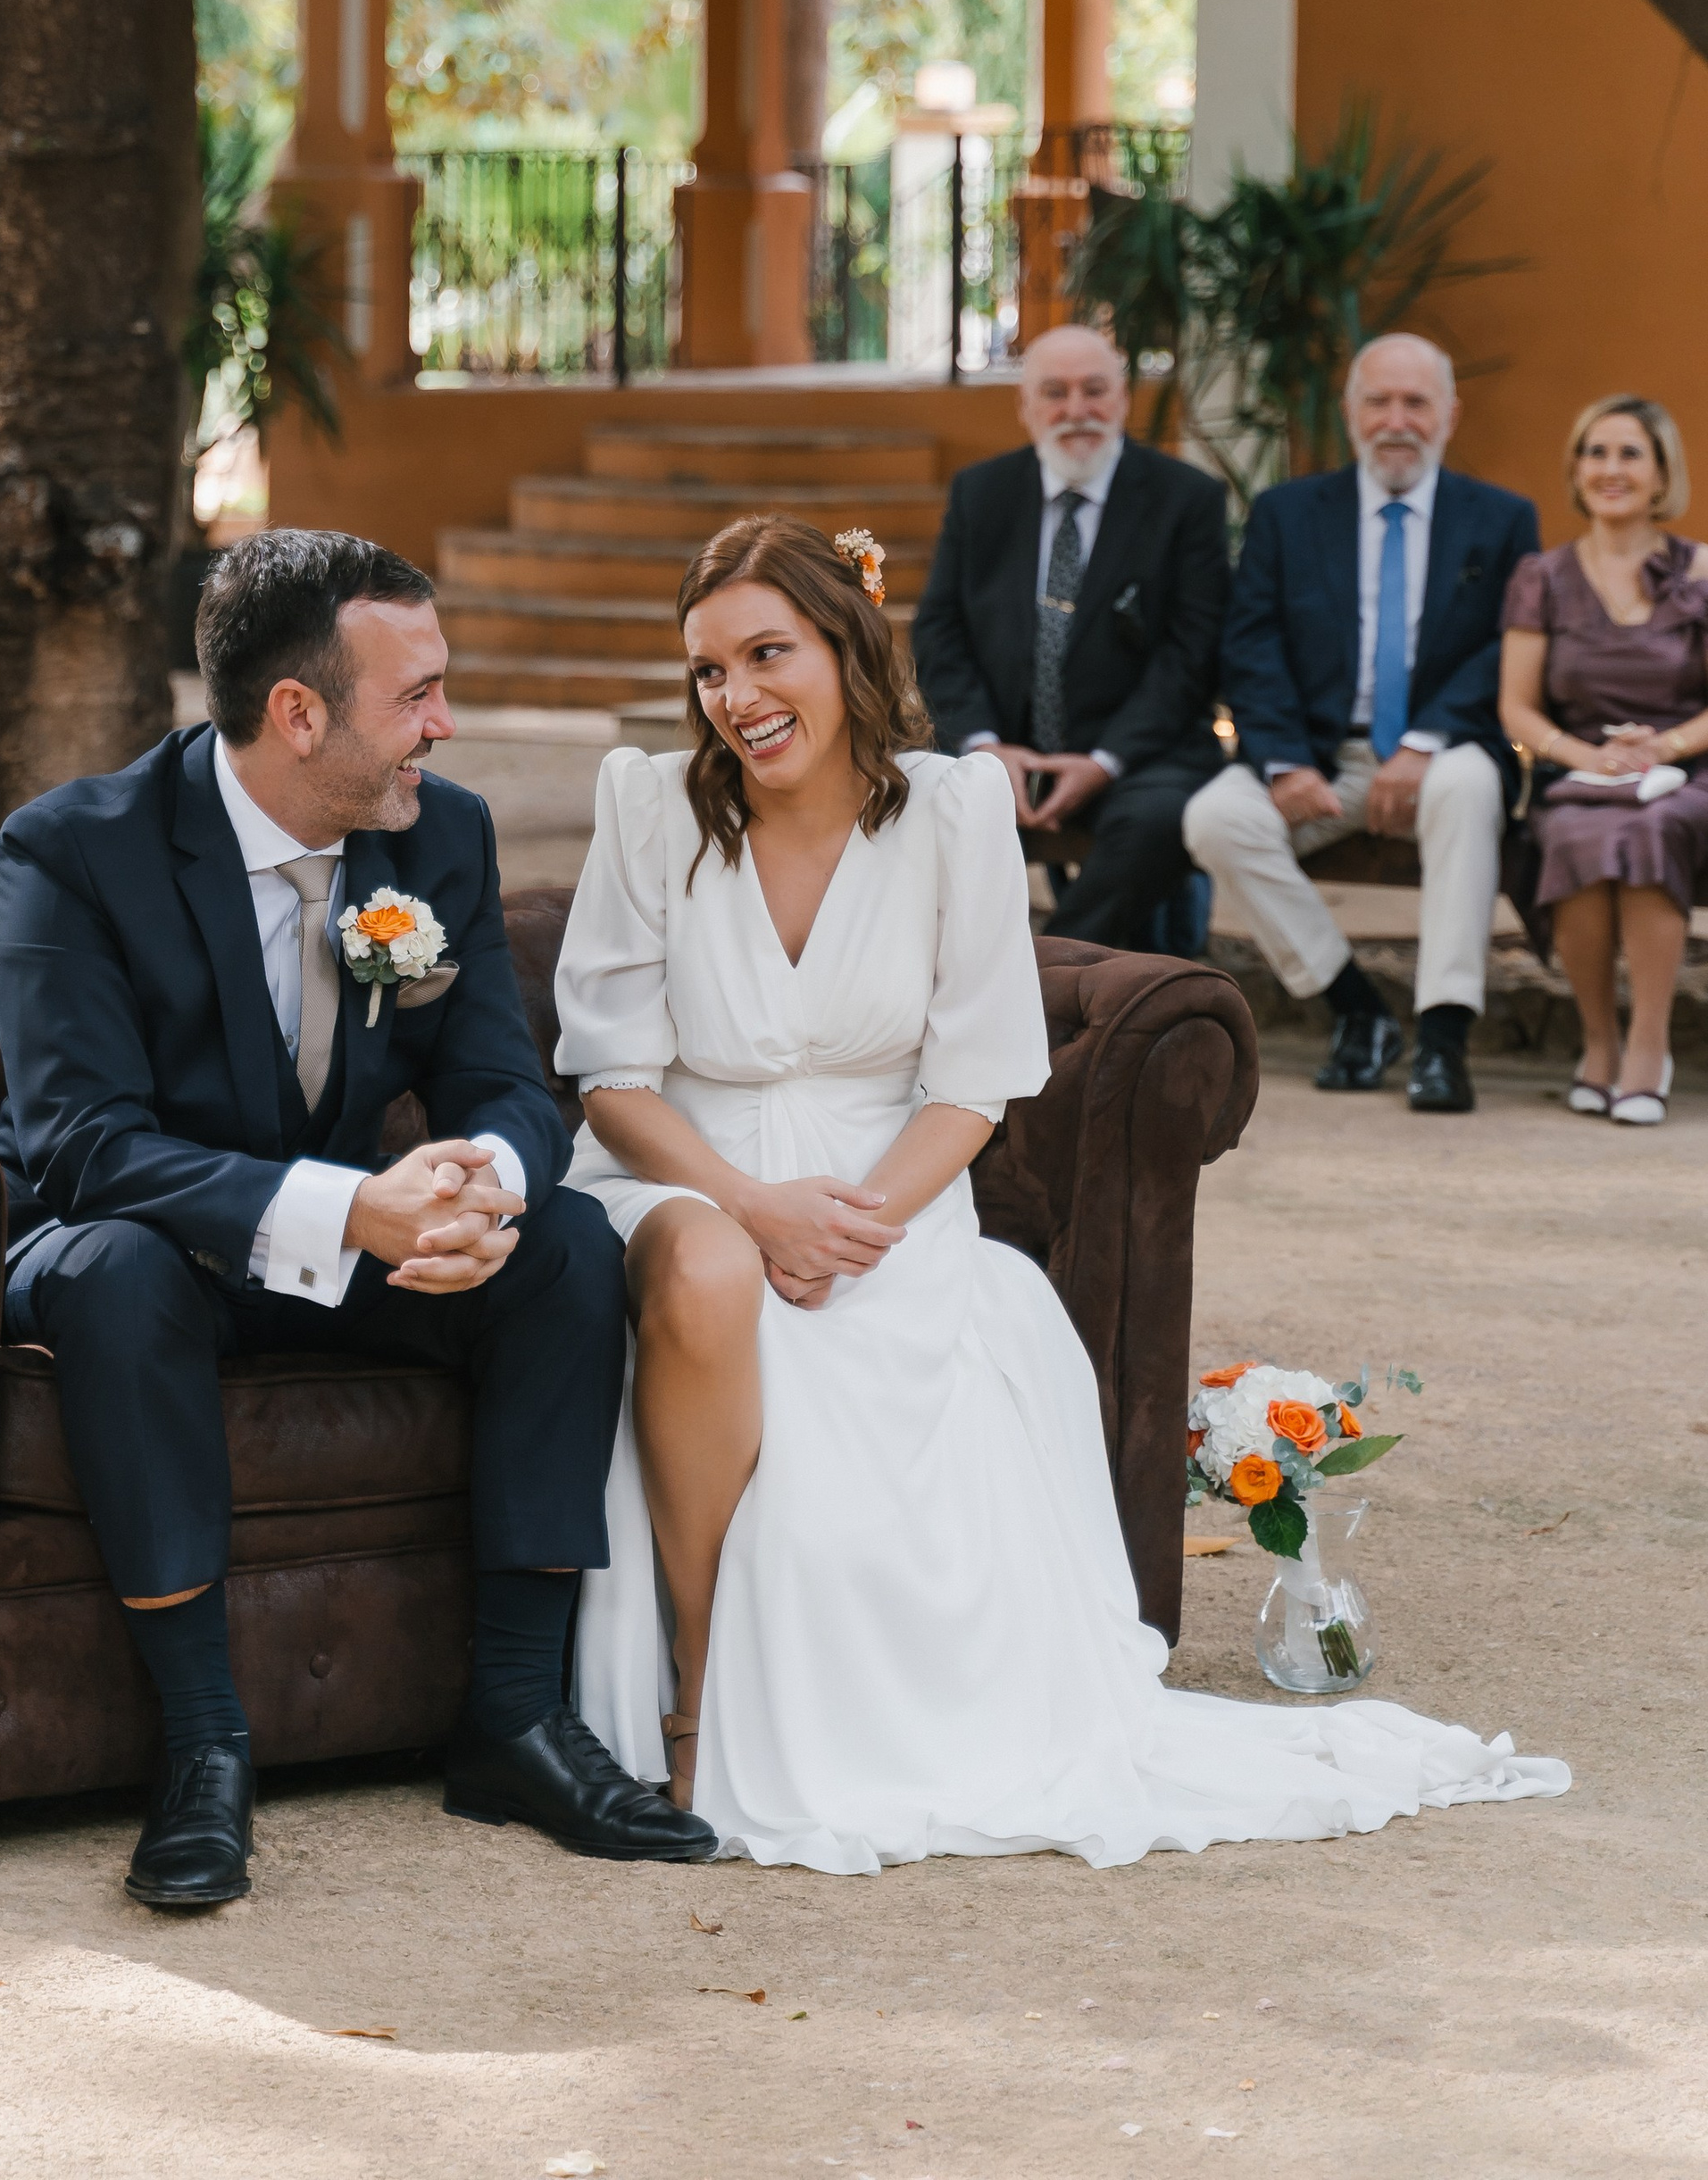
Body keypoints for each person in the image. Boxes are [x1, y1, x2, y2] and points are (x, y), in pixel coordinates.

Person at [554, 513, 1565, 1870]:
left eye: (764, 654)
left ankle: (878, 1715)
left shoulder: (954, 812)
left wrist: (853, 1221)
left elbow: (974, 1083)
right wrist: (752, 1202)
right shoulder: (648, 807)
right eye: (707, 671)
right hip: (682, 1171)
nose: (733, 698)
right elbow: (612, 1079)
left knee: (887, 1402)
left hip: (888, 1200)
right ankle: (689, 1698)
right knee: (704, 1270)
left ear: (848, 644)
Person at [0, 528, 715, 1915]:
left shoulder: (437, 831)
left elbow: (505, 1078)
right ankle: (204, 1747)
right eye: (417, 695)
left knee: (564, 1246)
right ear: (297, 713)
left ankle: (513, 1722)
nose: (445, 724)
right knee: (118, 1275)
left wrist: (485, 1189)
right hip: (154, 1249)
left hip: (353, 1251)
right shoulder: (75, 851)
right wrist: (349, 1209)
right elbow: (83, 1144)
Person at [1182, 334, 1538, 1118]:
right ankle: (1356, 1010)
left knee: (1469, 789)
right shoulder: (1287, 514)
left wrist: (1423, 742)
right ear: (1351, 415)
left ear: (1450, 414)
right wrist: (1280, 761)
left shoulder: (1502, 519)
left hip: (1445, 748)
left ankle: (1443, 1038)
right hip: (1320, 754)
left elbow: (1502, 652)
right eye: (1379, 401)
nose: (1397, 420)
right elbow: (1251, 646)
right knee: (1215, 819)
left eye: (1416, 403)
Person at [910, 323, 1228, 946]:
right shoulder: (982, 494)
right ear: (1026, 408)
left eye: (1094, 390)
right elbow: (939, 631)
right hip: (1006, 751)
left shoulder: (1186, 499)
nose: (1076, 410)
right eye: (1055, 392)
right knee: (909, 805)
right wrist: (983, 747)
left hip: (1138, 757)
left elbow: (1192, 655)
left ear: (1123, 400)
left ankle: (1041, 985)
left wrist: (1104, 762)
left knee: (1161, 819)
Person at [1498, 396, 1708, 1129]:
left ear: (1660, 476)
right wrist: (1589, 757)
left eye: (1629, 454)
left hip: (1688, 769)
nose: (1610, 470)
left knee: (1650, 828)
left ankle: (1650, 1047)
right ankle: (1597, 1041)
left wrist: (1663, 749)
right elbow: (1517, 706)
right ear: (1576, 470)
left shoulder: (1704, 571)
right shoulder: (1542, 576)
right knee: (1581, 831)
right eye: (1595, 453)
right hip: (1584, 769)